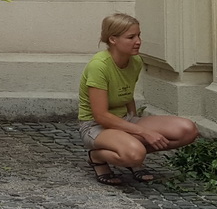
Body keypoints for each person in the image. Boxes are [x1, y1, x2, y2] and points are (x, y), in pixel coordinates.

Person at [79, 13, 198, 185]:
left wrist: (134, 121)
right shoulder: (99, 66)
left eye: (139, 35)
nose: (138, 41)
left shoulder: (135, 61)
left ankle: (130, 151)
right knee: (135, 154)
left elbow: (126, 94)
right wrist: (143, 132)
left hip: (124, 119)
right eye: (131, 37)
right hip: (95, 126)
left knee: (188, 130)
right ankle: (96, 156)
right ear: (113, 39)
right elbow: (101, 116)